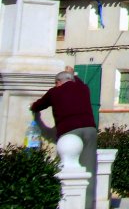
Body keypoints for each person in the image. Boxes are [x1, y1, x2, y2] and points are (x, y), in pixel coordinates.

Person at [31, 68, 98, 209]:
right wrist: (72, 73)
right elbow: (78, 80)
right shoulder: (83, 88)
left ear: (58, 82)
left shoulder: (54, 92)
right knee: (89, 170)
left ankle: (64, 203)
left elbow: (39, 105)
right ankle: (87, 205)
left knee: (66, 167)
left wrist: (33, 108)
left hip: (69, 131)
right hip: (90, 130)